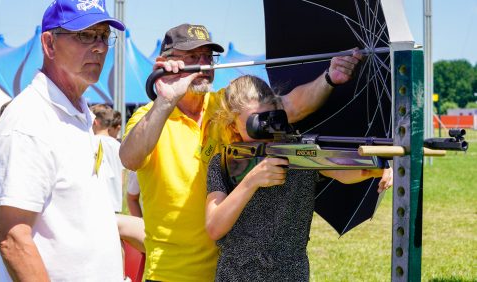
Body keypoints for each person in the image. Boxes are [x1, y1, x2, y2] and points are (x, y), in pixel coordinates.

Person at [119, 23, 363, 281]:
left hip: (232, 270)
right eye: (193, 57)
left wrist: (329, 78)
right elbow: (130, 158)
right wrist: (166, 101)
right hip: (173, 274)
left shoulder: (224, 105)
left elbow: (293, 105)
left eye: (208, 57)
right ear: (165, 63)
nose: (204, 65)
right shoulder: (149, 117)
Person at [205, 75, 392, 281]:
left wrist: (382, 165)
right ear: (233, 127)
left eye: (272, 119)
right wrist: (250, 182)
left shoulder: (299, 153)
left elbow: (343, 170)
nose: (267, 131)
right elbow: (214, 227)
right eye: (257, 124)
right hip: (237, 274)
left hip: (290, 272)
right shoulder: (223, 162)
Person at [0, 0, 126, 280]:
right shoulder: (30, 119)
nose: (99, 47)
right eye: (85, 35)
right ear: (49, 44)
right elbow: (14, 239)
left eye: (102, 35)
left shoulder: (79, 112)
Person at [91, 104, 124, 213]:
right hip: (115, 202)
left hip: (98, 203)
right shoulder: (118, 145)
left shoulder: (92, 142)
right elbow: (122, 176)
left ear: (95, 122)